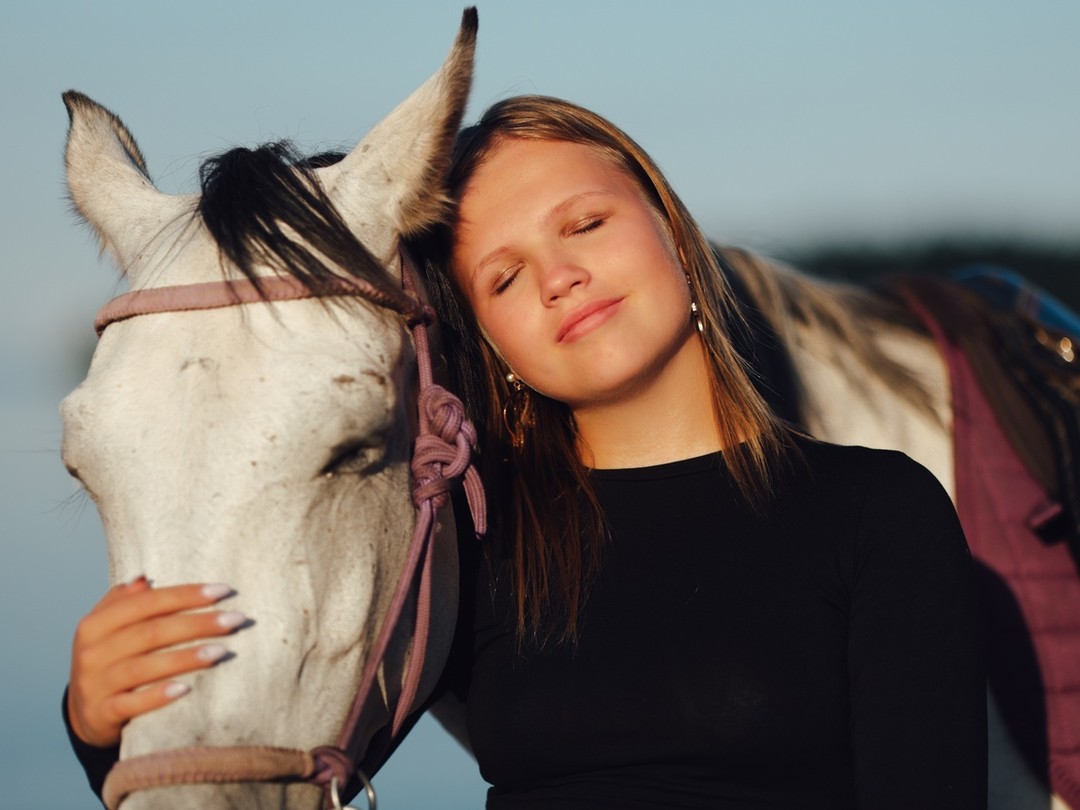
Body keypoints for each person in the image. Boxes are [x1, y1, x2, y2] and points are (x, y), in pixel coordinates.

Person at [64, 96, 987, 809]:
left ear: (673, 227)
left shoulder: (878, 512)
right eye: (503, 277)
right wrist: (103, 721)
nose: (558, 276)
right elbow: (286, 729)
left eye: (586, 224)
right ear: (489, 339)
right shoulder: (468, 551)